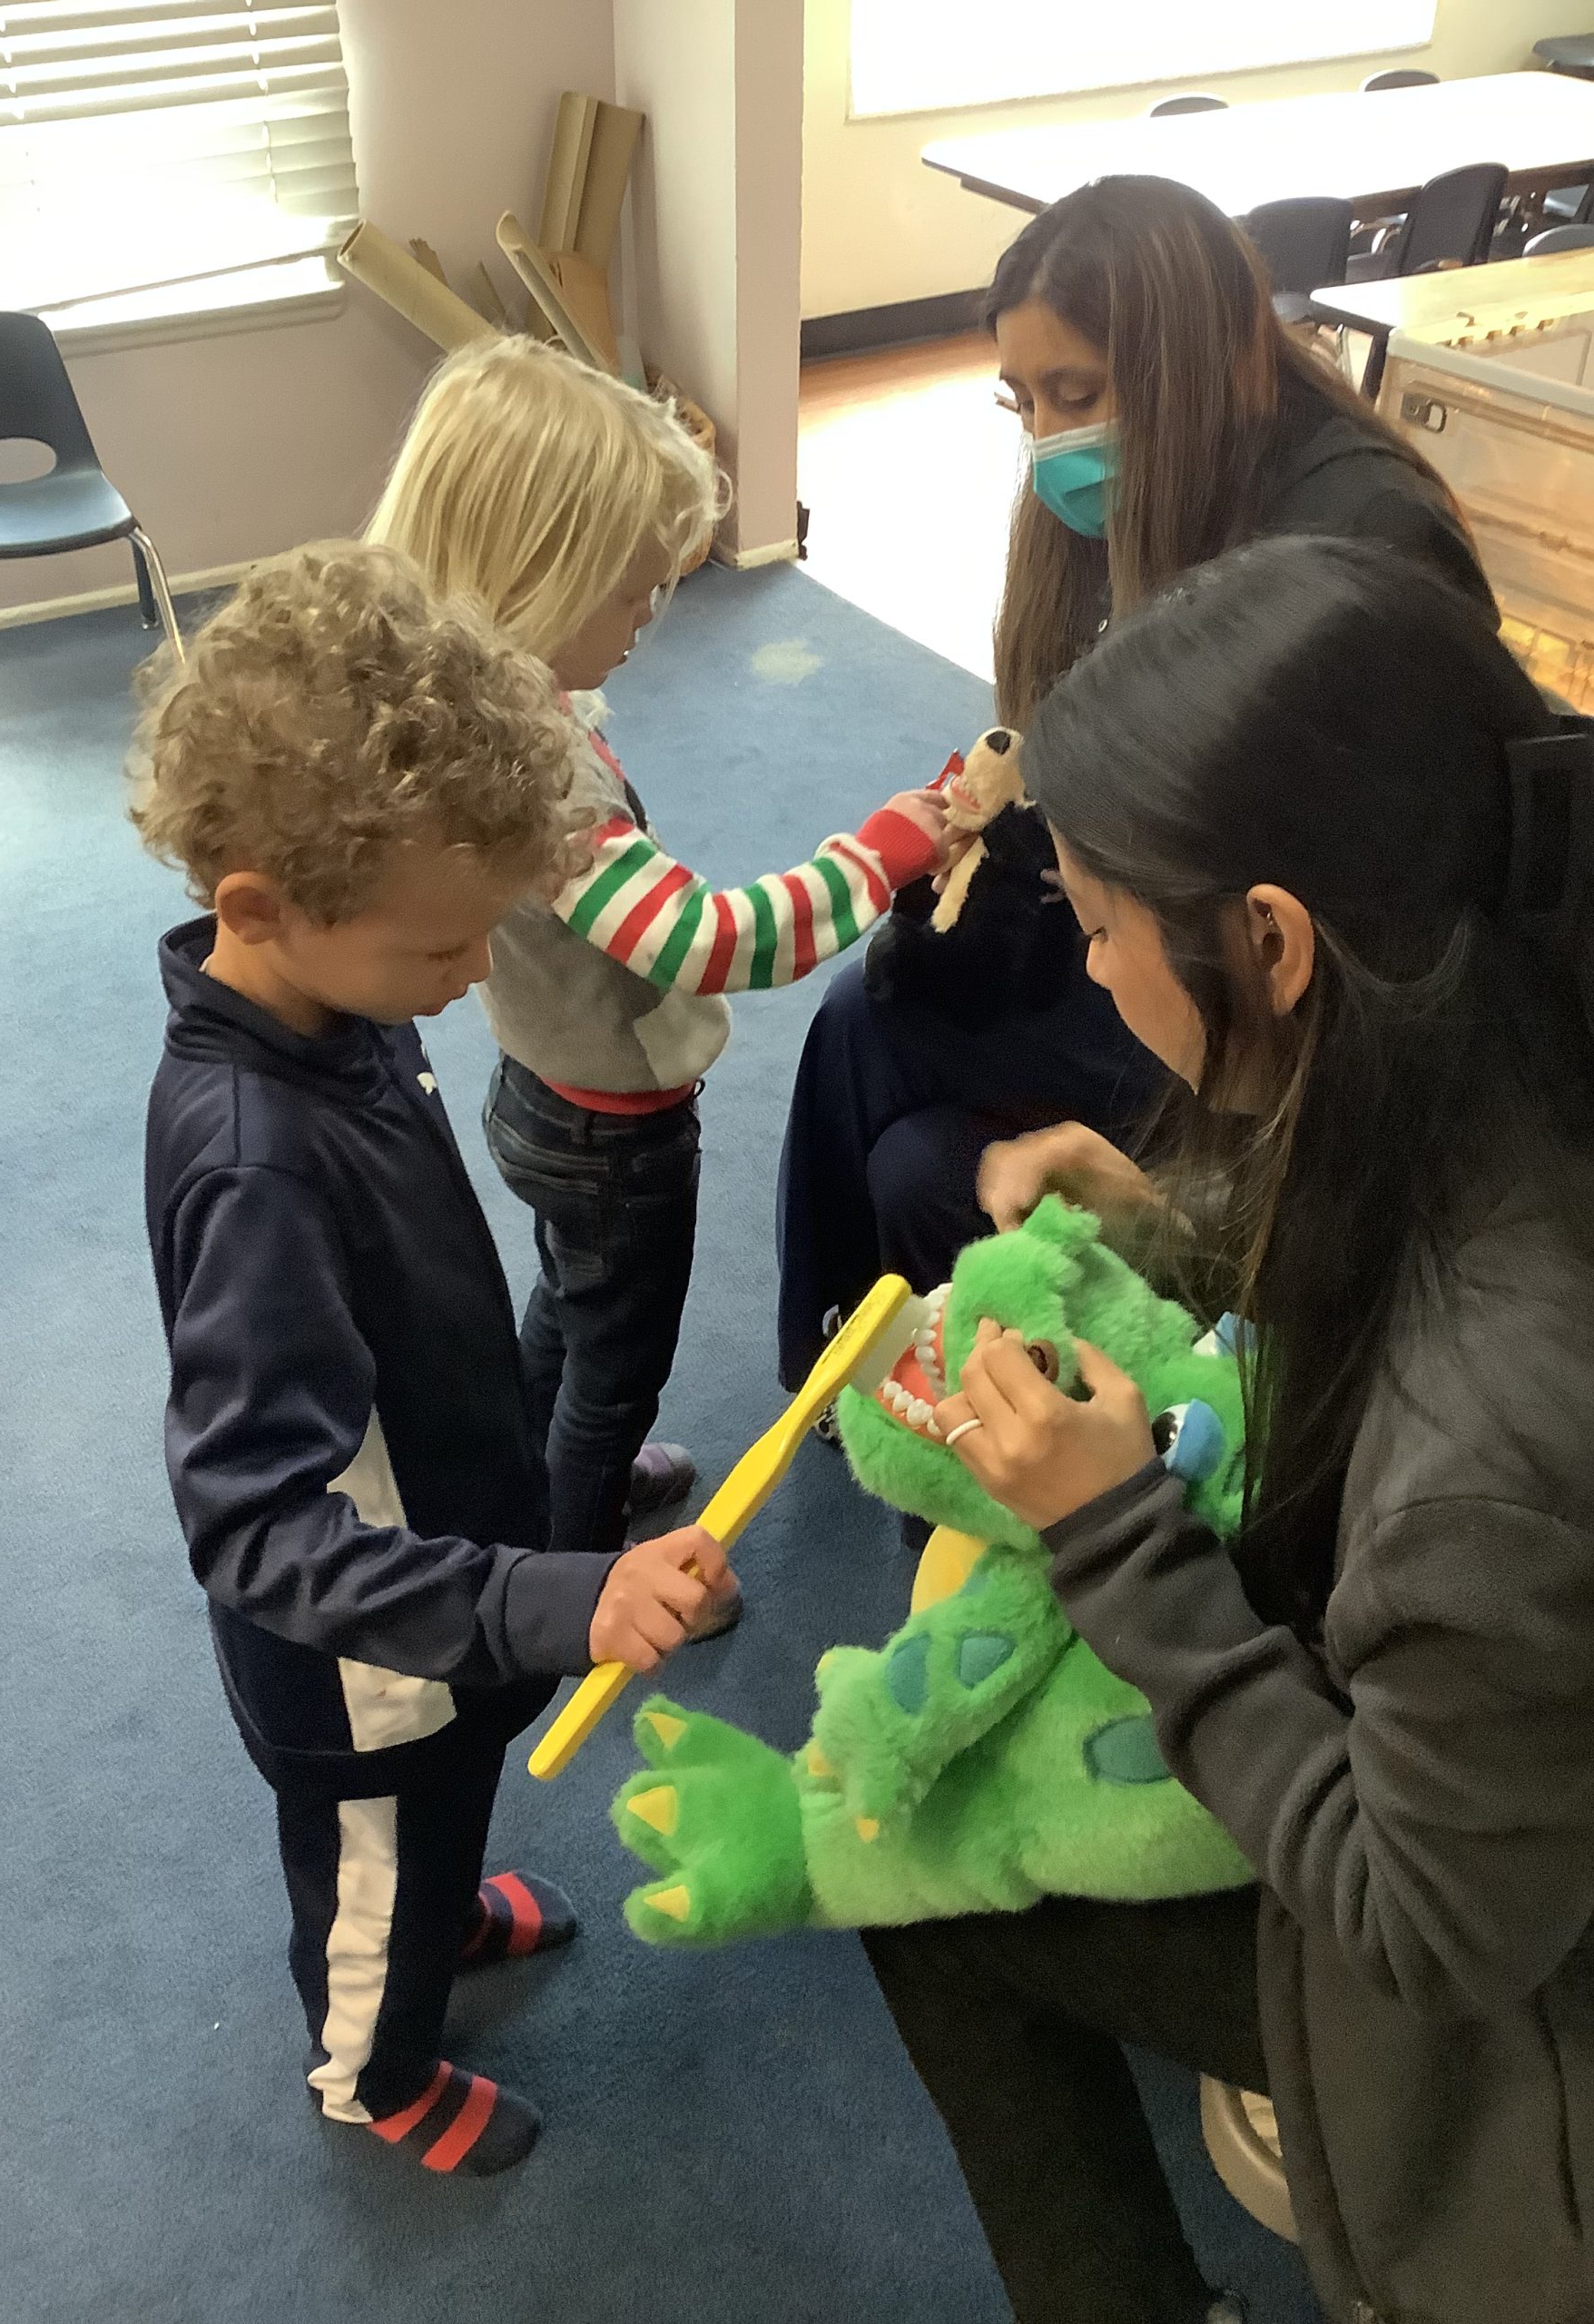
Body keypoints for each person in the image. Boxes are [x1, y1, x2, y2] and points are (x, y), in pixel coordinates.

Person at [863, 535, 1594, 2324]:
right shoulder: (1516, 1032)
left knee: (916, 1864)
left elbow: (1429, 1928)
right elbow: (1393, 1238)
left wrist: (1122, 1543)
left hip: (1509, 2042)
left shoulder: (1487, 1442)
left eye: (1103, 925)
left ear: (1266, 936)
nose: (1097, 971)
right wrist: (1171, 1219)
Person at [135, 544, 727, 2178]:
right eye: (439, 952)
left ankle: (447, 1913)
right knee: (372, 1861)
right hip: (362, 1667)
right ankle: (373, 2074)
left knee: (439, 1821)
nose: (472, 982)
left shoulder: (331, 1010)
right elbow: (253, 1528)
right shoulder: (253, 1159)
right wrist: (546, 1596)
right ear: (259, 906)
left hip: (440, 1575)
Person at [776, 173, 1497, 1393]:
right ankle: (848, 1374)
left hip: (1268, 1001)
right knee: (868, 1016)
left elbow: (1339, 952)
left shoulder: (1355, 549)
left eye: (1077, 393)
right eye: (1024, 402)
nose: (1050, 438)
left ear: (1189, 363)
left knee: (917, 1158)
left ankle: (940, 1409)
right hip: (1155, 927)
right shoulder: (1157, 488)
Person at [369, 336, 947, 1563]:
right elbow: (706, 937)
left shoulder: (468, 703)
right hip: (613, 1133)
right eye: (629, 592)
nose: (651, 620)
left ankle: (536, 1472)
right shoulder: (545, 781)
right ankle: (582, 1567)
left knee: (566, 1305)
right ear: (533, 576)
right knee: (619, 1362)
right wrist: (885, 852)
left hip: (536, 1087)